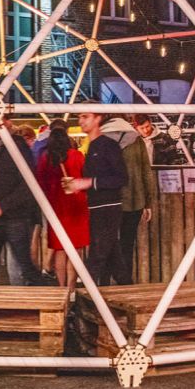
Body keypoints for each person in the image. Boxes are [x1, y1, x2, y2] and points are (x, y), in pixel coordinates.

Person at [0, 122, 46, 286]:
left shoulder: (17, 146)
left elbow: (28, 183)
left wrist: (2, 207)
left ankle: (31, 302)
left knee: (22, 265)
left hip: (14, 217)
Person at [64, 109, 130, 286]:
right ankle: (128, 291)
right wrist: (81, 186)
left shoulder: (108, 145)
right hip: (96, 207)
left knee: (97, 256)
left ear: (98, 119)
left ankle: (85, 298)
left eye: (85, 116)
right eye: (79, 117)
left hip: (108, 208)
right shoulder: (92, 146)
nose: (81, 120)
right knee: (114, 259)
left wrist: (88, 183)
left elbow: (121, 178)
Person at [35, 127, 89, 291]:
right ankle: (71, 289)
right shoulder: (77, 155)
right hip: (77, 207)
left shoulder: (46, 158)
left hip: (56, 208)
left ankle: (61, 287)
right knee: (75, 250)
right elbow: (85, 178)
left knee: (60, 249)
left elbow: (40, 182)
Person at [104, 115, 156, 282]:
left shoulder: (101, 140)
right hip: (135, 201)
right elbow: (146, 172)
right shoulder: (137, 140)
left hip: (110, 201)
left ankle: (103, 284)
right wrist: (148, 202)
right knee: (127, 243)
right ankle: (125, 282)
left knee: (107, 243)